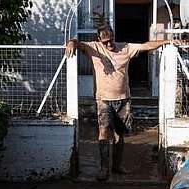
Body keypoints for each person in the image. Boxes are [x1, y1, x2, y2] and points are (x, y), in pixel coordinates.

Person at [65, 25, 180, 180]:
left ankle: (117, 166)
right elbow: (78, 44)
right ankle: (104, 169)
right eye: (105, 42)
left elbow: (146, 45)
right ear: (99, 40)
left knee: (120, 135)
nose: (109, 44)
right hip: (103, 99)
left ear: (114, 36)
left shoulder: (125, 48)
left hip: (123, 99)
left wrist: (167, 41)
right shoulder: (94, 48)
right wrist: (71, 42)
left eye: (111, 40)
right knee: (104, 132)